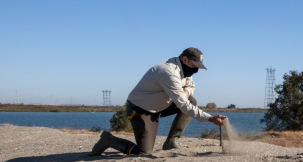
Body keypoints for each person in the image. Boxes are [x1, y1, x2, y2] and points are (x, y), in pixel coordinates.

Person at [91, 47, 226, 156]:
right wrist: (210, 118)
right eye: (194, 65)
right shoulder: (168, 72)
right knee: (144, 152)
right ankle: (109, 140)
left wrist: (185, 93)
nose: (196, 69)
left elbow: (191, 86)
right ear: (185, 59)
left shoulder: (184, 70)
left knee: (191, 100)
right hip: (140, 110)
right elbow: (184, 106)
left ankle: (171, 141)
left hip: (160, 106)